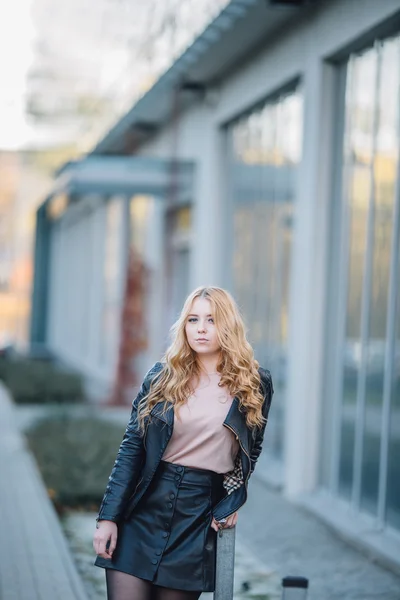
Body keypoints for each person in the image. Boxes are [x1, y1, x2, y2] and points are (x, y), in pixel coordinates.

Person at [93, 286, 274, 600]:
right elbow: (132, 449)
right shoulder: (162, 377)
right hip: (143, 507)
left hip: (197, 515)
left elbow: (250, 449)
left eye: (211, 320)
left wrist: (233, 497)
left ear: (228, 326)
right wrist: (108, 517)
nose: (201, 328)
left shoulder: (253, 383)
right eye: (193, 319)